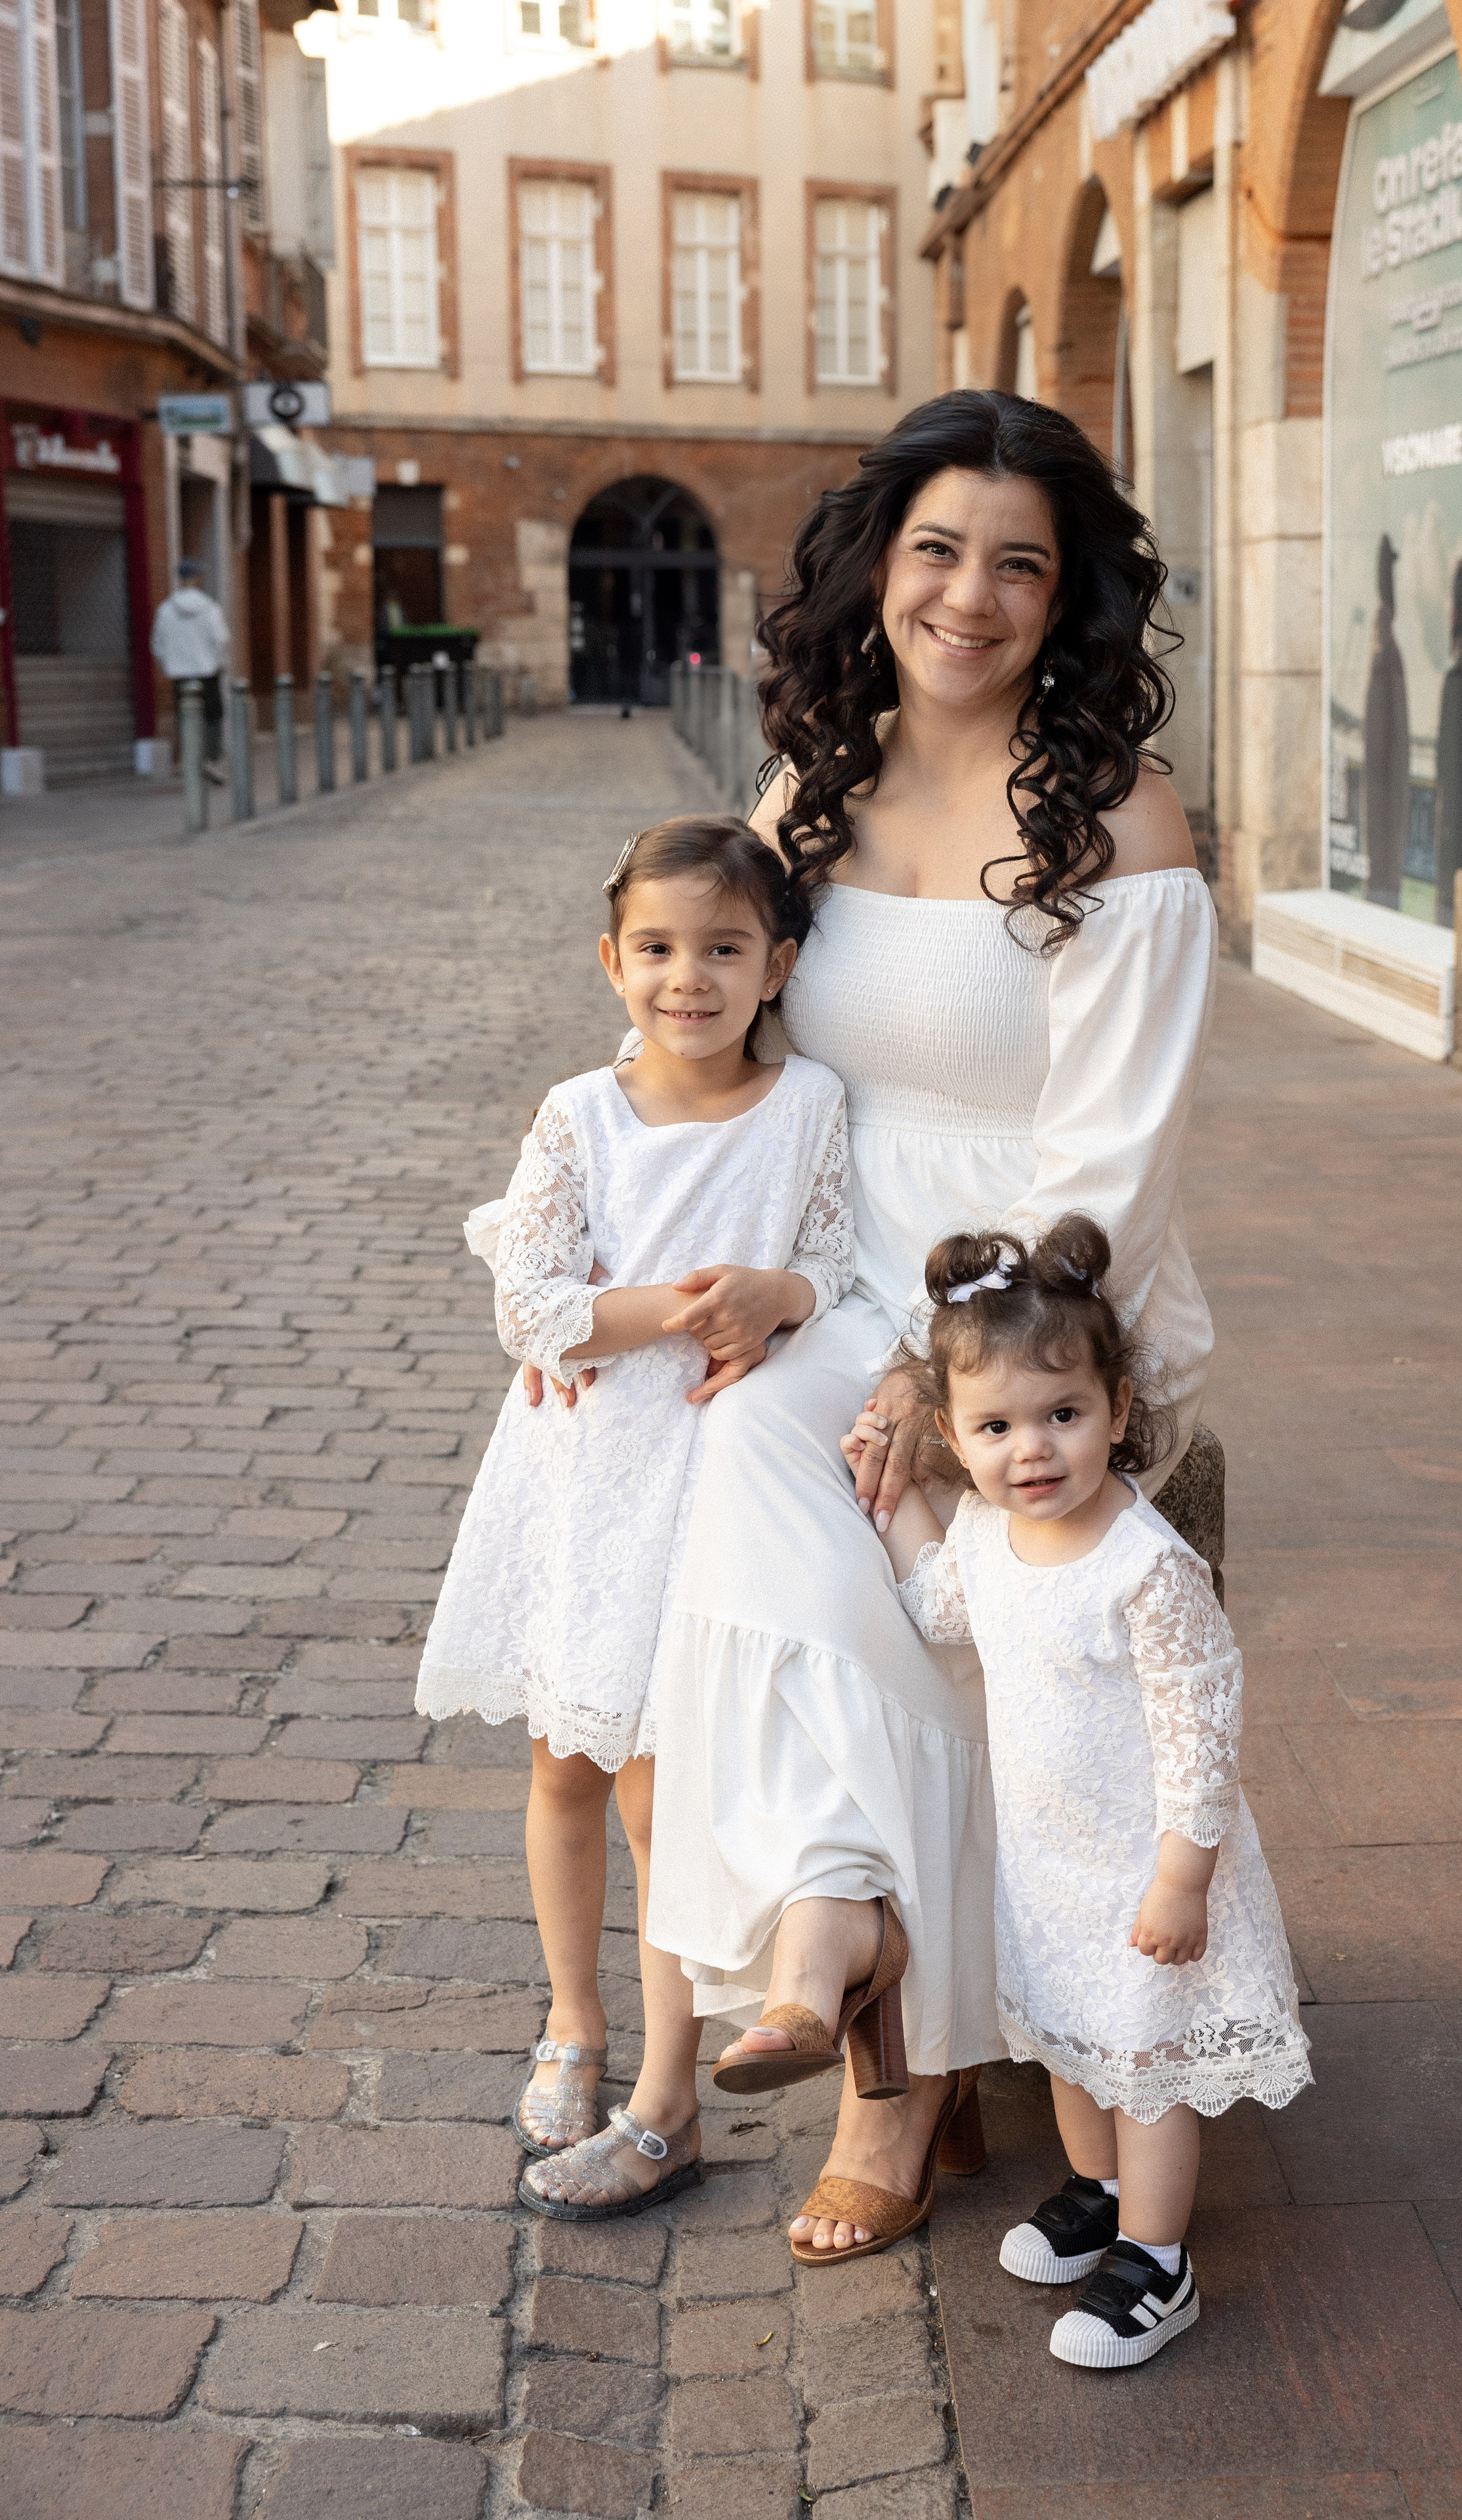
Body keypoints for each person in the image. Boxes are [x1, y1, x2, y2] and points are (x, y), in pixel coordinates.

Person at [625, 388, 1223, 2259]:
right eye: (938, 550)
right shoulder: (808, 792)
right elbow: (739, 1055)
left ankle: (897, 2048)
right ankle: (865, 1968)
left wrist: (930, 1354)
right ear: (881, 568)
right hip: (840, 1264)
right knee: (737, 1453)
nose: (970, 596)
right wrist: (731, 1274)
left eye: (1020, 565)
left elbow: (1111, 1160)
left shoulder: (1118, 817)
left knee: (915, 1512)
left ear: (1070, 601)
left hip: (1038, 1293)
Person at [415, 815, 852, 2221]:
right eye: (658, 949)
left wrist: (778, 1296)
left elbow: (834, 1265)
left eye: (724, 948)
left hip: (713, 1481)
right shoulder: (579, 1115)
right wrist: (682, 1305)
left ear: (776, 964)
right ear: (612, 962)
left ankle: (670, 2084)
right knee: (564, 1766)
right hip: (585, 1479)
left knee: (668, 1791)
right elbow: (528, 1306)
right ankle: (572, 2021)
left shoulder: (807, 1113)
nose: (689, 978)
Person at [843, 1215, 1310, 2347]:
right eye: (996, 1426)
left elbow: (1203, 1728)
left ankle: (1159, 2260)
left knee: (1143, 2066)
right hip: (1050, 1859)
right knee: (1067, 2042)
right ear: (954, 1434)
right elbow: (939, 1605)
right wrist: (897, 1500)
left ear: (1118, 1409)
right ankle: (1098, 2197)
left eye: (1064, 1415)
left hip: (1147, 1864)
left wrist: (1184, 1876)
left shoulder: (1145, 1568)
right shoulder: (992, 1537)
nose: (1033, 1450)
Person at [150, 558, 230, 784]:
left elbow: (157, 644)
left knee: (186, 715)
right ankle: (211, 759)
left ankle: (190, 759)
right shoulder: (210, 607)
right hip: (207, 672)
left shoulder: (165, 610)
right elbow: (221, 639)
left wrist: (169, 666)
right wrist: (218, 663)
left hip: (180, 674)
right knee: (213, 715)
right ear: (196, 578)